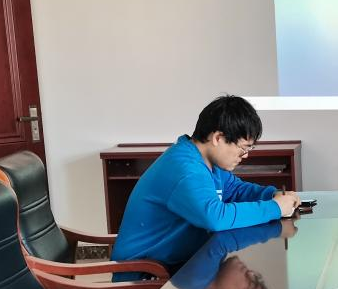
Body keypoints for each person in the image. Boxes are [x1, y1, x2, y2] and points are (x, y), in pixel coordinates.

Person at [111, 95, 299, 276]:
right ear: (218, 138)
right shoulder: (186, 168)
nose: (246, 155)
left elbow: (236, 190)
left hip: (176, 266)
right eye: (243, 148)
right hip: (145, 275)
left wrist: (273, 195)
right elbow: (215, 217)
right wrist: (274, 208)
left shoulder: (207, 162)